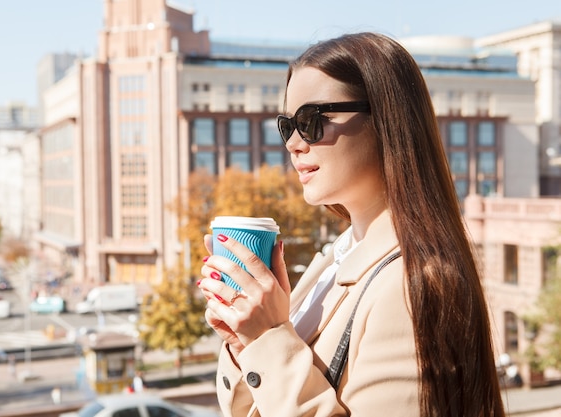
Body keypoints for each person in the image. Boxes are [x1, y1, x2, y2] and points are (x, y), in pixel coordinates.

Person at [198, 32, 505, 416]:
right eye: (287, 125)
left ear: (385, 120)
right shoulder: (334, 261)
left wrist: (268, 337)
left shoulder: (412, 281)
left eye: (312, 120)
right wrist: (247, 341)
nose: (294, 142)